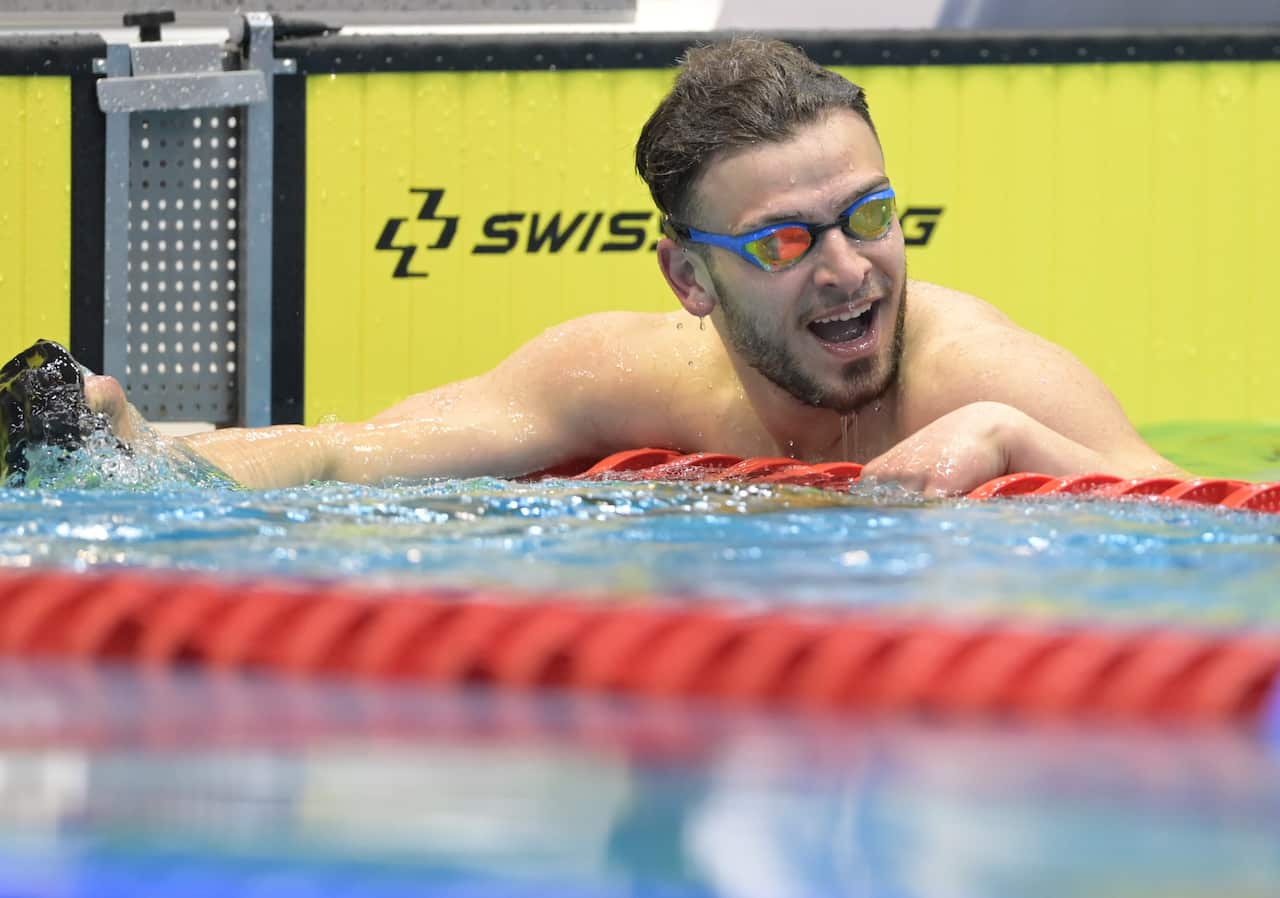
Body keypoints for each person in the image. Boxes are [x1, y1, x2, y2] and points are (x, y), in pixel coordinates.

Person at [87, 37, 1182, 494]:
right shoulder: (624, 377)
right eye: (786, 240)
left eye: (868, 215)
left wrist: (1014, 441)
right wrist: (134, 451)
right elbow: (346, 457)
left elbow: (1220, 525)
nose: (849, 268)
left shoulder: (980, 378)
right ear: (688, 280)